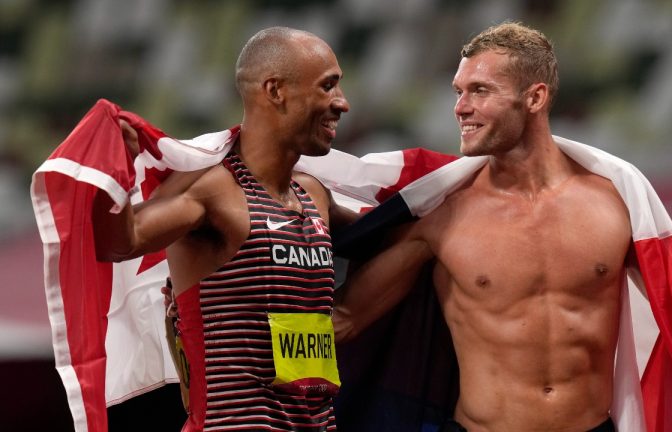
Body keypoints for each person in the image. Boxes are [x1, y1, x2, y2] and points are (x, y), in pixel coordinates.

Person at [332, 21, 628, 432]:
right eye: (459, 91)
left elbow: (668, 321)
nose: (460, 107)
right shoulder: (442, 216)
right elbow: (344, 320)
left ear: (535, 97)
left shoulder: (616, 205)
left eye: (480, 91)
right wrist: (247, 356)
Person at [92, 26, 356, 431]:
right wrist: (112, 173)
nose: (343, 103)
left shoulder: (313, 196)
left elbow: (395, 232)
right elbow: (119, 242)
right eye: (328, 86)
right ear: (275, 90)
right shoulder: (215, 190)